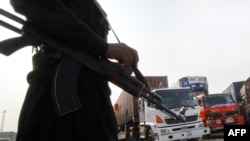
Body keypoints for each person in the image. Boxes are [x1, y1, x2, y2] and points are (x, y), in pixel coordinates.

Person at [10, 0, 139, 141]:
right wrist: (103, 47)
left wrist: (114, 68)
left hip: (95, 104)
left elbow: (89, 52)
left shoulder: (94, 7)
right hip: (53, 102)